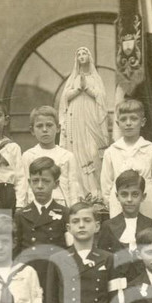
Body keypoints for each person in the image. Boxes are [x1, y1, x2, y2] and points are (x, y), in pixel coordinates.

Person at [58, 47, 110, 200]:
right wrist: (77, 89)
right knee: (76, 153)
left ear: (89, 56)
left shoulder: (95, 78)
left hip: (91, 118)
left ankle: (96, 191)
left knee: (93, 152)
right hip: (76, 118)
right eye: (79, 54)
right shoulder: (73, 79)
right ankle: (82, 192)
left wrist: (86, 87)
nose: (81, 56)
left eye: (84, 53)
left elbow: (101, 97)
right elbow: (65, 98)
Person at [100, 99, 152, 220]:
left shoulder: (151, 149)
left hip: (146, 201)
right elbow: (106, 183)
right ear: (118, 123)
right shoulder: (111, 151)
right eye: (124, 119)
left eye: (133, 119)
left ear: (143, 122)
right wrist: (112, 202)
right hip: (119, 203)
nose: (128, 123)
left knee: (145, 234)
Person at [14, 156, 69, 289]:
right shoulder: (21, 215)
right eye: (35, 181)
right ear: (29, 182)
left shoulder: (65, 213)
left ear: (55, 184)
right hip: (28, 271)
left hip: (54, 272)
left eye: (45, 181)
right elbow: (15, 249)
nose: (39, 186)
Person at [96, 169, 152, 286]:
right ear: (117, 196)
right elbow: (103, 262)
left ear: (143, 196)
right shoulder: (108, 226)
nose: (129, 199)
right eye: (124, 194)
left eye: (135, 194)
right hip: (117, 286)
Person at [16, 105, 78, 208]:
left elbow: (73, 185)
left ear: (58, 128)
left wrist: (74, 209)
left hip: (60, 203)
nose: (45, 130)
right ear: (32, 130)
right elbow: (23, 184)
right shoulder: (28, 156)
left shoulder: (67, 156)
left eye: (49, 125)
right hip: (35, 204)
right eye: (40, 126)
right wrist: (20, 206)